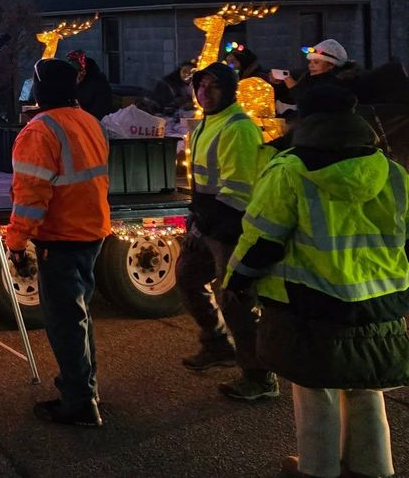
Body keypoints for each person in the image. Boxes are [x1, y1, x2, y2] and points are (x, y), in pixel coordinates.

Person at [224, 85, 409, 478]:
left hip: (311, 302)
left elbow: (262, 238)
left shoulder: (290, 169)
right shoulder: (391, 171)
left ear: (305, 119)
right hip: (382, 302)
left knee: (316, 391)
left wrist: (237, 280)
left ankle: (317, 469)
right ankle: (373, 469)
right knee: (366, 387)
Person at [5, 58, 111, 428]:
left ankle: (80, 403)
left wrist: (16, 242)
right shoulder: (89, 122)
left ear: (41, 89)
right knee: (78, 316)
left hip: (62, 236)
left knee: (66, 321)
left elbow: (31, 196)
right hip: (91, 231)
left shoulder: (39, 131)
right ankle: (86, 390)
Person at [175, 62, 277, 401]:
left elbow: (237, 191)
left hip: (231, 228)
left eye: (212, 86)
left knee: (235, 300)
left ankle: (260, 376)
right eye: (200, 86)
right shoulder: (206, 124)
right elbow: (202, 182)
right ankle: (217, 343)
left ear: (229, 90)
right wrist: (196, 219)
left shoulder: (238, 128)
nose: (204, 92)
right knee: (189, 279)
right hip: (208, 224)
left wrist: (205, 224)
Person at [279, 39, 348, 106]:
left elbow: (311, 104)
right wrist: (278, 84)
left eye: (316, 62)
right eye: (310, 62)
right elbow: (289, 99)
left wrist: (294, 88)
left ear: (331, 65)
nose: (310, 65)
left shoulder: (336, 84)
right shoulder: (308, 77)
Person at [66, 50, 114, 120]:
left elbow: (100, 110)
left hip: (93, 122)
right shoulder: (73, 84)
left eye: (78, 71)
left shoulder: (98, 83)